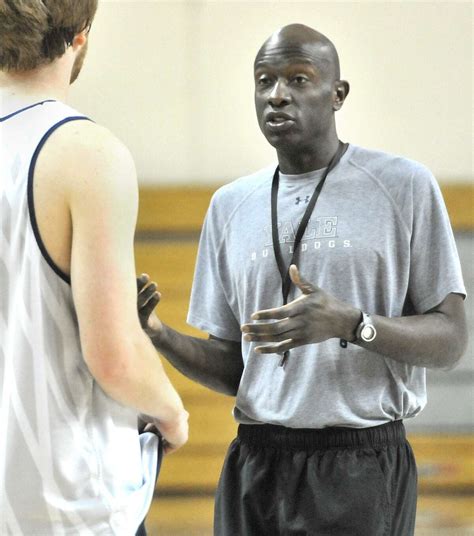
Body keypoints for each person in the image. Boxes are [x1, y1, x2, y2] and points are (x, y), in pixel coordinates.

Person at [137, 23, 467, 535]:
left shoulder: (403, 186)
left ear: (337, 95)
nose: (276, 95)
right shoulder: (230, 206)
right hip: (255, 459)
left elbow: (451, 341)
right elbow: (234, 367)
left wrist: (354, 324)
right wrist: (160, 335)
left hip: (360, 462)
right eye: (264, 80)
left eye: (298, 79)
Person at [0, 1, 188, 534]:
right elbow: (114, 357)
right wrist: (173, 413)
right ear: (81, 34)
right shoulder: (85, 152)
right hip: (68, 506)